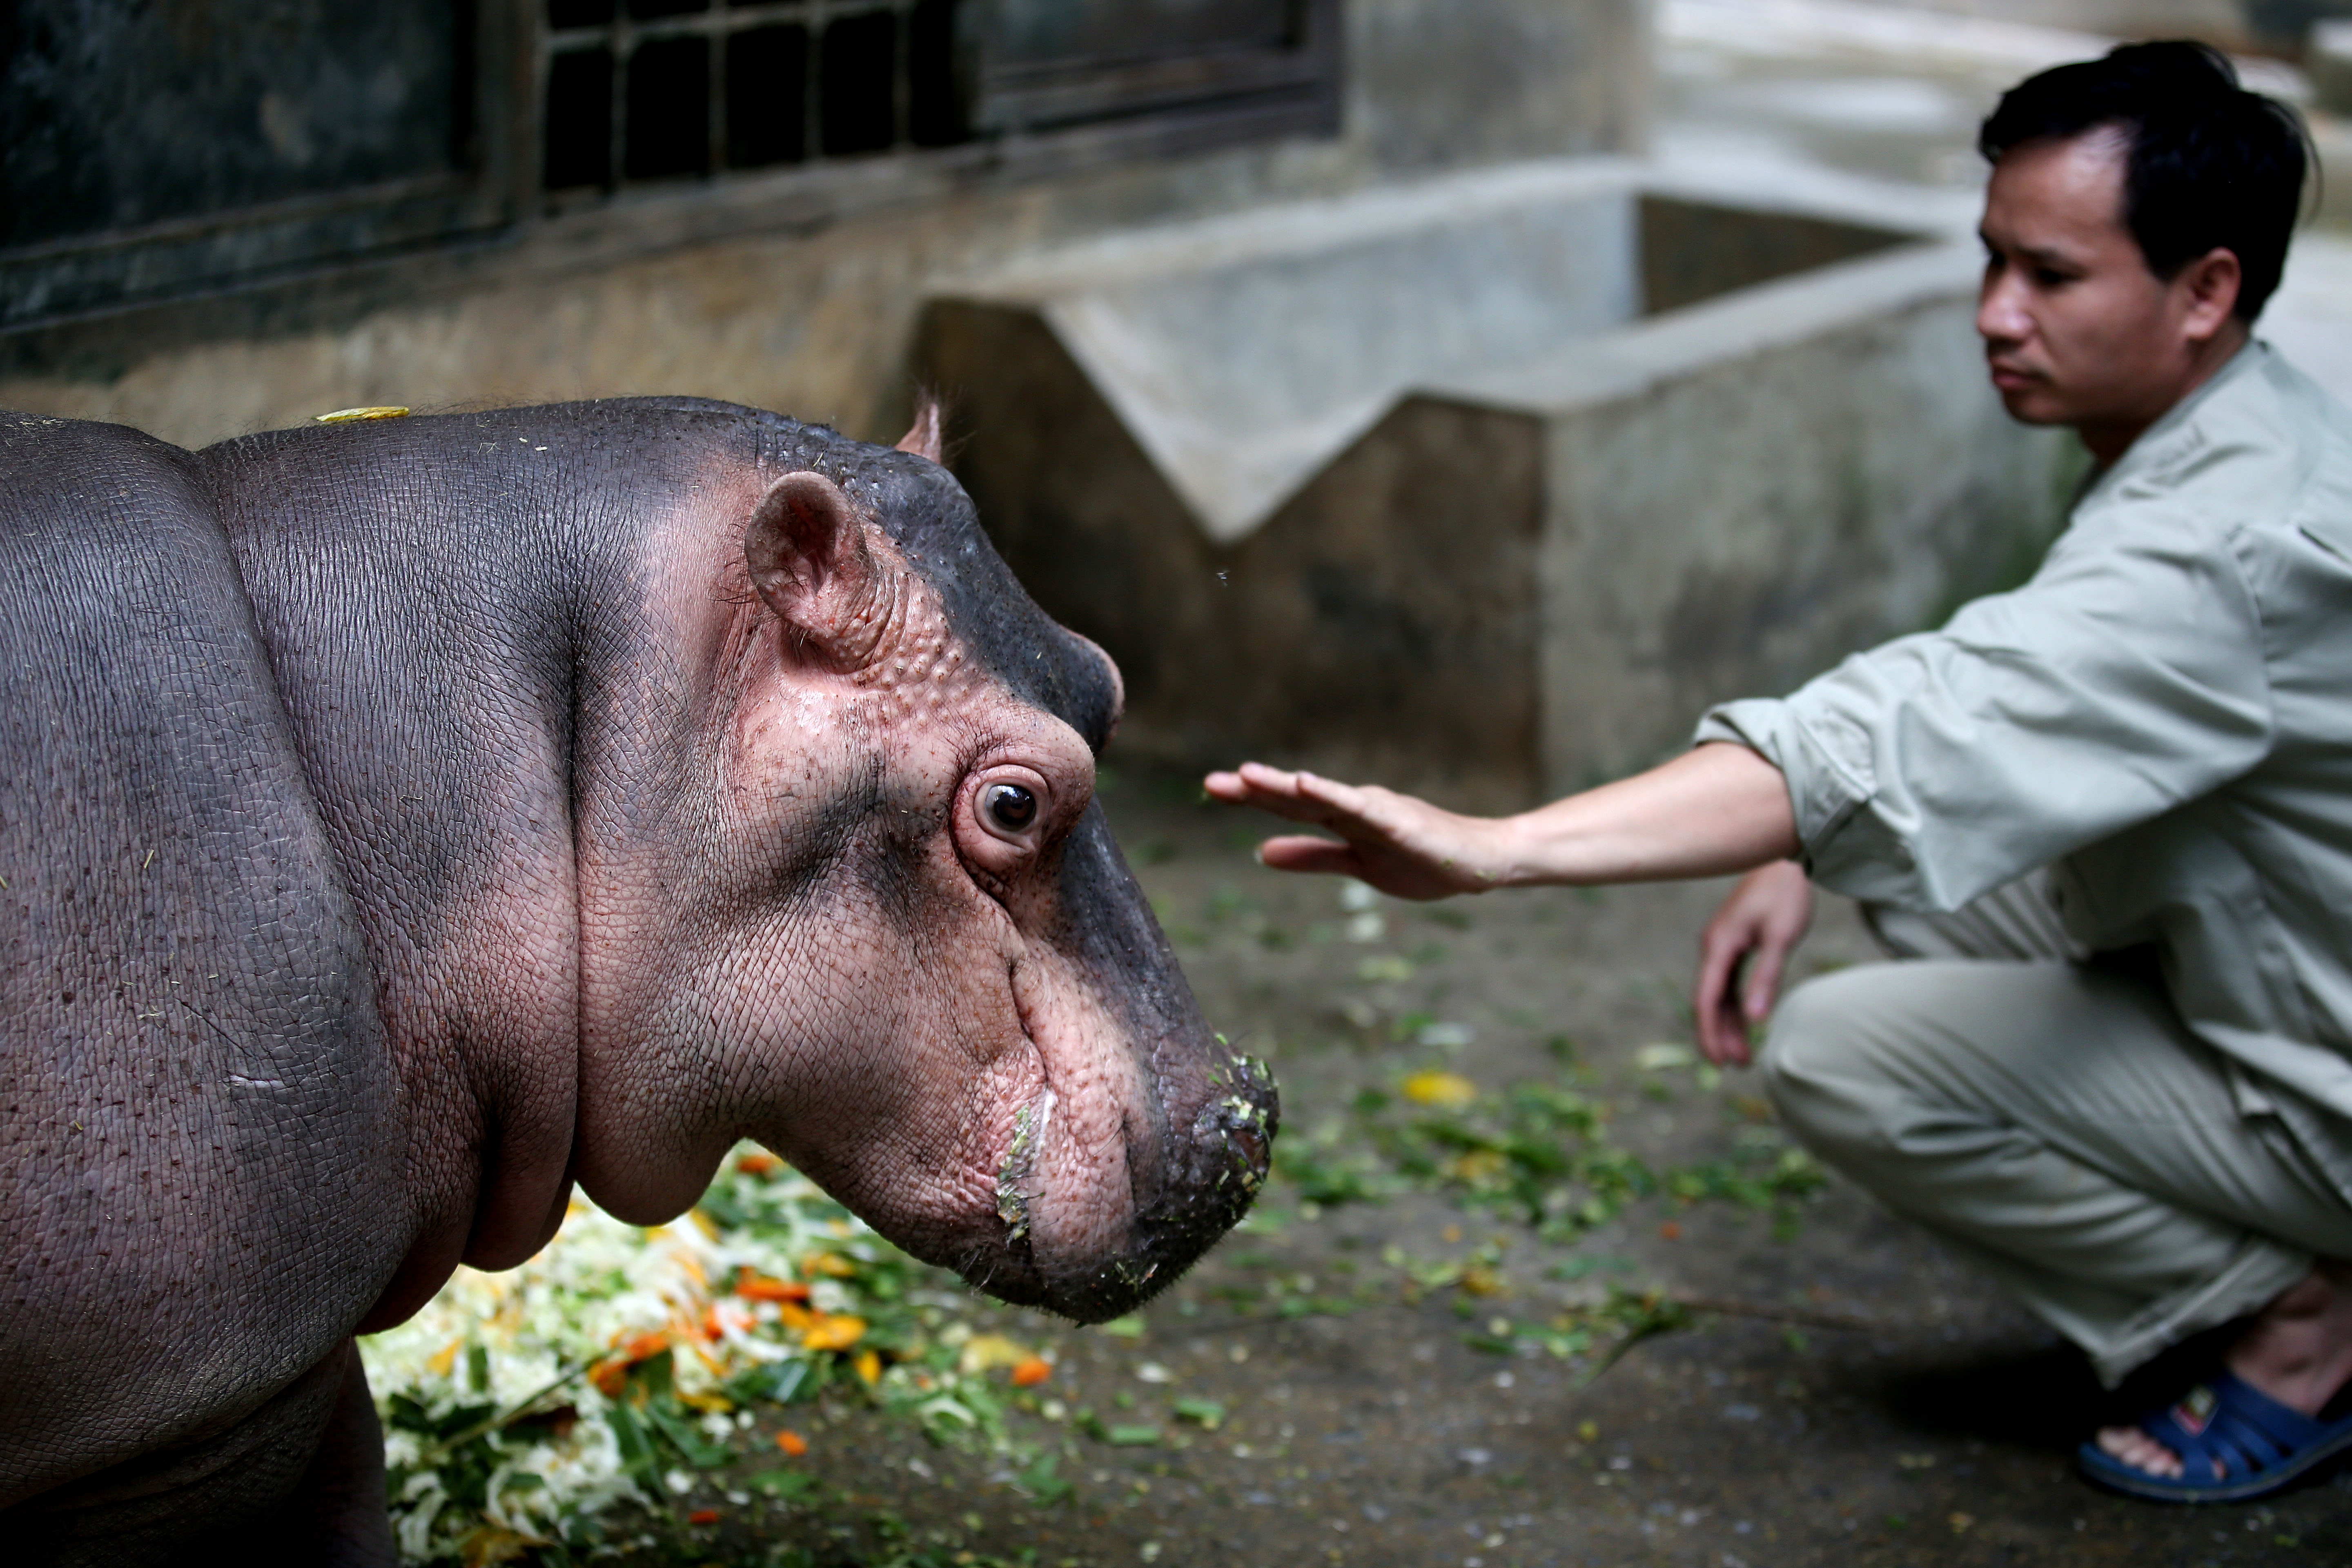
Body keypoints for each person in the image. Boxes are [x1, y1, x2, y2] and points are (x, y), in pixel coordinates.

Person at [1207, 40, 2352, 1504]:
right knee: (1907, 865)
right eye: (1992, 260)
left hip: (2319, 1077)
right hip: (2283, 951)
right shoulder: (2243, 430)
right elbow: (2008, 712)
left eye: (2053, 278)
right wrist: (1791, 846)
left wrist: (1499, 848)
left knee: (1844, 1053)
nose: (1996, 316)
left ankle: (2305, 1320)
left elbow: (1935, 719)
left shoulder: (2226, 551)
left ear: (2206, 289)